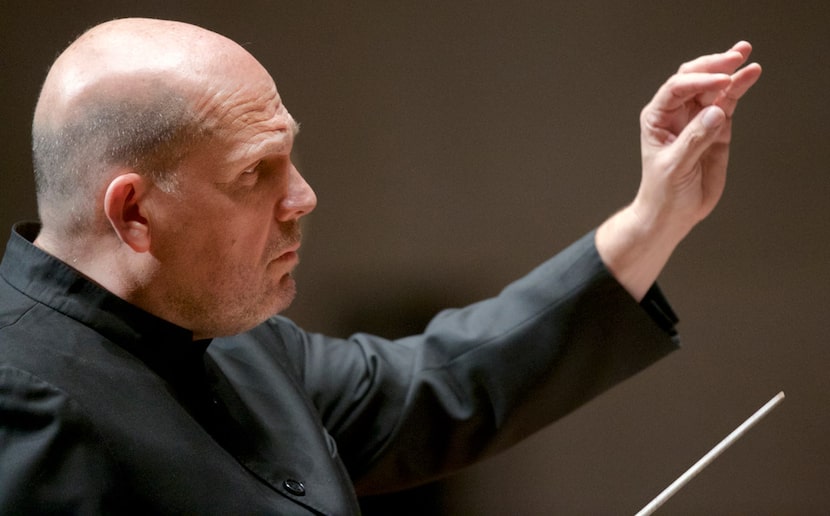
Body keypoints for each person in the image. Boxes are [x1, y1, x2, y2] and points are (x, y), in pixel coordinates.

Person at [0, 17, 761, 515]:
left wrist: (656, 217)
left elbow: (441, 384)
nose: (302, 196)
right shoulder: (21, 401)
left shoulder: (231, 335)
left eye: (289, 155)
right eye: (254, 172)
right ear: (134, 212)